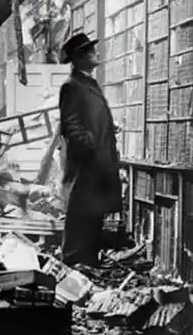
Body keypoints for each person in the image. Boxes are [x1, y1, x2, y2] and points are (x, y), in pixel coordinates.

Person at [58, 32, 122, 267]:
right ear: (81, 57)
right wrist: (91, 145)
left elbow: (89, 117)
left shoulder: (88, 83)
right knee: (79, 217)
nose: (97, 54)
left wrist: (108, 126)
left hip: (97, 164)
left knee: (94, 215)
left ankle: (89, 264)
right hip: (85, 165)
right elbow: (71, 126)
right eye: (91, 51)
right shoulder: (71, 86)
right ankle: (74, 263)